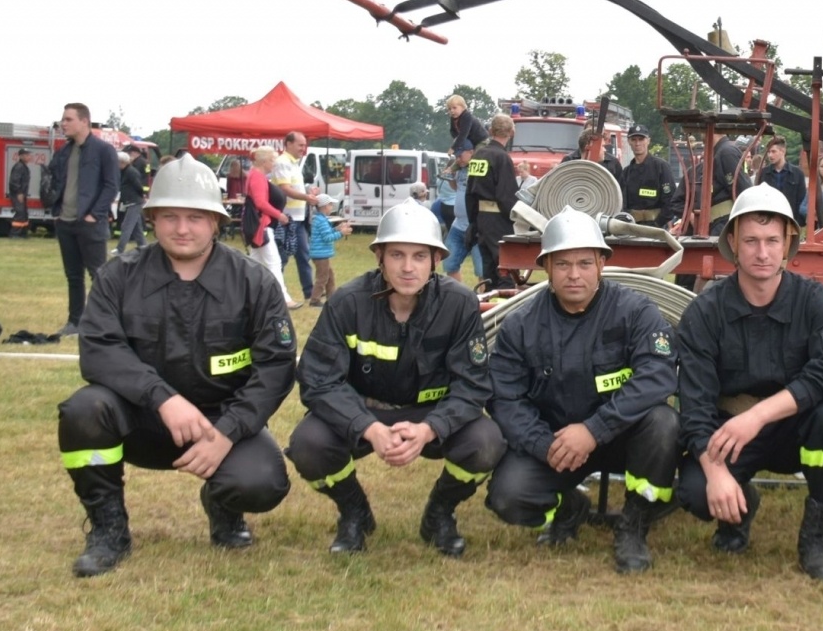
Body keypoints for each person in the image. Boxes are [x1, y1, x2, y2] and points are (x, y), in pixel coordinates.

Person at [55, 156, 296, 577]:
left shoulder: (254, 282)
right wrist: (162, 398)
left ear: (216, 222)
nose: (182, 229)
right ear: (151, 219)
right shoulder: (118, 277)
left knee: (261, 482)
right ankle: (109, 529)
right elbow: (98, 350)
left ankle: (224, 507)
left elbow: (275, 368)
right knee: (83, 411)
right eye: (170, 216)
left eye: (195, 217)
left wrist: (229, 431)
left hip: (223, 426)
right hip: (142, 422)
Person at [288, 201, 504, 556]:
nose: (407, 268)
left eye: (420, 256)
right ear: (379, 257)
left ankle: (439, 511)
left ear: (436, 259)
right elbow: (318, 380)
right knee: (308, 444)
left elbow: (473, 384)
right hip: (363, 414)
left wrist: (430, 428)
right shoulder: (347, 302)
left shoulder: (460, 304)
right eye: (397, 255)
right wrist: (367, 428)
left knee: (486, 442)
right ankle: (353, 510)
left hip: (430, 415)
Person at [674, 184, 823, 582]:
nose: (762, 253)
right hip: (733, 430)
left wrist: (758, 416)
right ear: (733, 245)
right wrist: (717, 473)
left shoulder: (815, 300)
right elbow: (694, 405)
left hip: (796, 426)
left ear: (787, 244)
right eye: (752, 241)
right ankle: (739, 509)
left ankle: (816, 540)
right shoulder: (705, 312)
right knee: (694, 491)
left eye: (773, 241)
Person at [486, 209, 682, 572]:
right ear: (546, 266)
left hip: (623, 438)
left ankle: (634, 524)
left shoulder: (635, 312)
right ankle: (570, 508)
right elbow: (505, 399)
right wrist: (544, 446)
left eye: (584, 263)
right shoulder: (521, 326)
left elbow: (657, 376)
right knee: (508, 499)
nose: (574, 274)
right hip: (556, 444)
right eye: (562, 264)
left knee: (663, 422)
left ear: (602, 264)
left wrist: (594, 430)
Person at [48, 103, 120, 336]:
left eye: (68, 119)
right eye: (63, 119)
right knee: (73, 276)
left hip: (90, 223)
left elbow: (111, 186)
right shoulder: (64, 151)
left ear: (84, 121)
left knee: (99, 275)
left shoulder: (103, 150)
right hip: (65, 222)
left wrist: (93, 215)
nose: (63, 123)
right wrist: (56, 209)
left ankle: (104, 323)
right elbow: (55, 180)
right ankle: (74, 322)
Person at [465, 114, 519, 290]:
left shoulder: (478, 155)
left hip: (481, 220)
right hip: (500, 221)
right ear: (511, 132)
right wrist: (516, 219)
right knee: (505, 269)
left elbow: (469, 192)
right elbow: (506, 195)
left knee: (488, 270)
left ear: (490, 131)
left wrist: (473, 221)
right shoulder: (503, 158)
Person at [243, 146, 298, 309]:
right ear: (265, 161)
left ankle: (244, 293)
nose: (274, 163)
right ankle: (284, 297)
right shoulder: (258, 177)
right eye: (273, 160)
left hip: (261, 225)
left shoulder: (255, 175)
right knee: (274, 262)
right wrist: (278, 215)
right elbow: (260, 203)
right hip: (262, 225)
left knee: (254, 263)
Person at [271, 131, 320, 304]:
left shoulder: (294, 163)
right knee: (281, 257)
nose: (303, 148)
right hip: (286, 219)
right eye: (300, 145)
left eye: (304, 145)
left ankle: (310, 294)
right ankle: (275, 293)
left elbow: (294, 188)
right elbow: (284, 188)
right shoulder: (282, 162)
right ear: (289, 144)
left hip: (298, 218)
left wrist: (308, 192)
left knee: (303, 255)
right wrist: (307, 197)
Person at [619, 125, 677, 227]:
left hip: (657, 228)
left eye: (641, 139)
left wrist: (657, 223)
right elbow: (622, 204)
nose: (637, 143)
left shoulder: (661, 167)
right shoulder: (626, 172)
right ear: (629, 142)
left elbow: (671, 201)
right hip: (632, 227)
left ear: (648, 141)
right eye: (634, 139)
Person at [306, 194, 350, 306]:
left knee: (329, 277)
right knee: (322, 278)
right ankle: (315, 300)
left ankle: (332, 297)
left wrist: (337, 228)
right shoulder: (321, 221)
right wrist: (341, 233)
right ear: (325, 206)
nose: (332, 207)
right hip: (320, 255)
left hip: (321, 255)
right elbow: (327, 238)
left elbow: (327, 232)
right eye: (331, 205)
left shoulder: (321, 219)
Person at [756, 135, 807, 228]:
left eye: (773, 151)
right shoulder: (763, 173)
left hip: (790, 222)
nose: (770, 155)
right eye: (768, 152)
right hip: (768, 222)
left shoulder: (797, 174)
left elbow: (801, 200)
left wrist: (797, 224)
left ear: (783, 151)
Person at [115, 147, 148, 254]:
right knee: (137, 228)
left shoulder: (131, 172)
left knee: (126, 226)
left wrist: (142, 195)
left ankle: (119, 250)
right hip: (130, 201)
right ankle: (144, 248)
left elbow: (139, 186)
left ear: (122, 162)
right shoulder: (125, 171)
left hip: (134, 201)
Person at [7, 148, 35, 238]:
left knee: (23, 214)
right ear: (21, 156)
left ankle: (23, 233)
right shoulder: (19, 167)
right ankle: (15, 234)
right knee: (20, 213)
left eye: (29, 155)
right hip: (17, 194)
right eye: (27, 155)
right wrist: (19, 193)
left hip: (22, 194)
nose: (29, 157)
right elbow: (14, 181)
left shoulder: (23, 166)